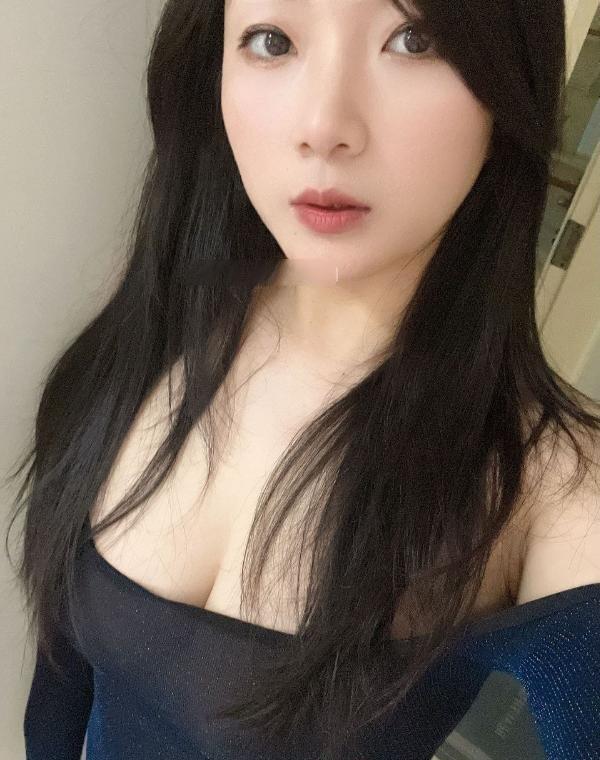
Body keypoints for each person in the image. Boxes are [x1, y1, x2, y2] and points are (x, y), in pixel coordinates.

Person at [6, 0, 600, 758]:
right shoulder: (156, 328)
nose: (323, 126)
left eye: (414, 39)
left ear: (509, 84)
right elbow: (60, 692)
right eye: (271, 40)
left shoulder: (554, 486)